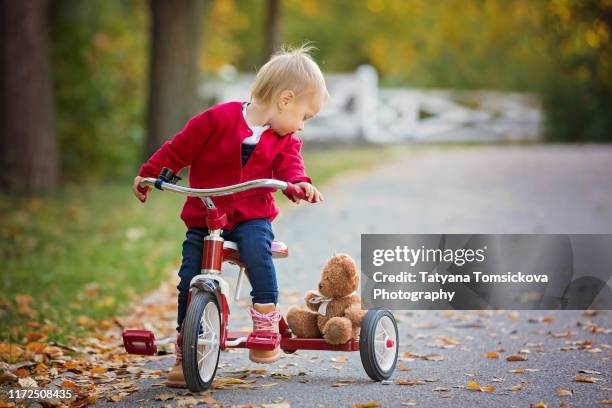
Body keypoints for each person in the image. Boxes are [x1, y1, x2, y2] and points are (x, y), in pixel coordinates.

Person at [132, 44, 328, 388]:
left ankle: (266, 319)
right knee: (189, 278)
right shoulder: (217, 119)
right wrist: (151, 174)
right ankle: (186, 348)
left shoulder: (286, 140)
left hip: (252, 215)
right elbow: (179, 149)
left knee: (257, 251)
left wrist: (298, 184)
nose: (301, 126)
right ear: (285, 100)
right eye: (305, 116)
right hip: (206, 215)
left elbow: (291, 168)